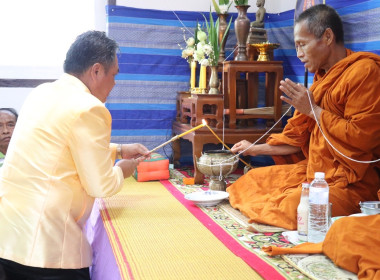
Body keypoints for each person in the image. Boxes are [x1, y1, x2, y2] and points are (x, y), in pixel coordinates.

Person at [0, 31, 150, 280]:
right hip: (46, 247)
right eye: (114, 75)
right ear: (97, 71)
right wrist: (123, 168)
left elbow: (59, 145)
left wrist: (120, 149)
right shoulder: (89, 107)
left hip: (10, 235)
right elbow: (100, 184)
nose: (114, 83)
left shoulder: (42, 92)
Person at [228, 4, 380, 230]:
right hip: (315, 172)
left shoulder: (365, 71)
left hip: (352, 183)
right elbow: (297, 138)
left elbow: (362, 137)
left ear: (327, 37)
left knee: (293, 206)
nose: (298, 54)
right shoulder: (322, 78)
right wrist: (254, 149)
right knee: (250, 181)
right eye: (296, 46)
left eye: (302, 45)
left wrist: (313, 110)